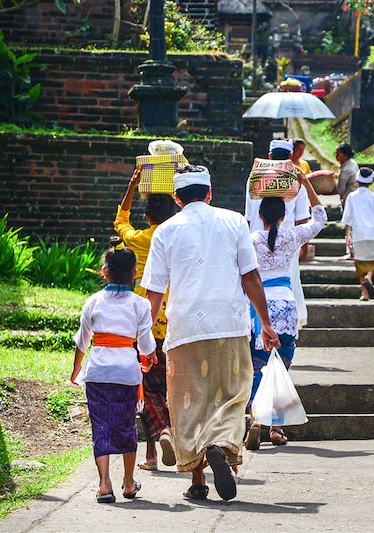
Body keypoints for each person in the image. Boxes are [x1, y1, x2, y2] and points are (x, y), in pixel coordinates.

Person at [142, 165, 281, 502]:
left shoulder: (165, 231)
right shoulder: (235, 221)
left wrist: (143, 340)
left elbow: (154, 294)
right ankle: (222, 444)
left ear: (177, 199)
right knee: (232, 394)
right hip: (229, 326)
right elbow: (250, 278)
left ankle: (198, 480)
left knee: (188, 403)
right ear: (209, 193)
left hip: (185, 329)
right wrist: (265, 323)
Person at [71, 237, 157, 504]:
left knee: (101, 427)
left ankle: (104, 484)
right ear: (134, 273)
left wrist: (76, 369)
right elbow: (145, 345)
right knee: (126, 425)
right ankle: (129, 483)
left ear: (104, 272)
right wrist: (150, 357)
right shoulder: (140, 305)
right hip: (126, 374)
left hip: (97, 372)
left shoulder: (93, 302)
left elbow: (83, 341)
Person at [245, 172, 327, 450]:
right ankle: (276, 428)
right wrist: (306, 184)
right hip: (286, 306)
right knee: (281, 366)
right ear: (282, 216)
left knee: (257, 366)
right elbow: (320, 218)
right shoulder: (292, 236)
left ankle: (255, 419)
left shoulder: (251, 239)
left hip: (259, 307)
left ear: (260, 215)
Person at [114, 170, 178, 471]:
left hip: (144, 317)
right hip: (177, 316)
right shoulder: (179, 236)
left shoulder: (139, 239)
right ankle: (175, 437)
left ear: (149, 215)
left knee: (145, 386)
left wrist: (130, 188)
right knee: (172, 387)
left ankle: (152, 452)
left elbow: (120, 223)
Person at [245, 139, 311, 327]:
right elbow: (302, 220)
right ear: (290, 157)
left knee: (255, 284)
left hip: (256, 243)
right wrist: (303, 245)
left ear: (270, 157)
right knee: (288, 284)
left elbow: (249, 217)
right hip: (287, 245)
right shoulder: (297, 179)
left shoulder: (254, 178)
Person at [341, 167, 374, 301]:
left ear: (357, 180)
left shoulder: (351, 197)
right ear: (371, 182)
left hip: (358, 234)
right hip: (373, 233)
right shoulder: (373, 196)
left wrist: (347, 235)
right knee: (373, 261)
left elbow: (347, 218)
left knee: (360, 263)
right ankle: (369, 277)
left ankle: (364, 293)